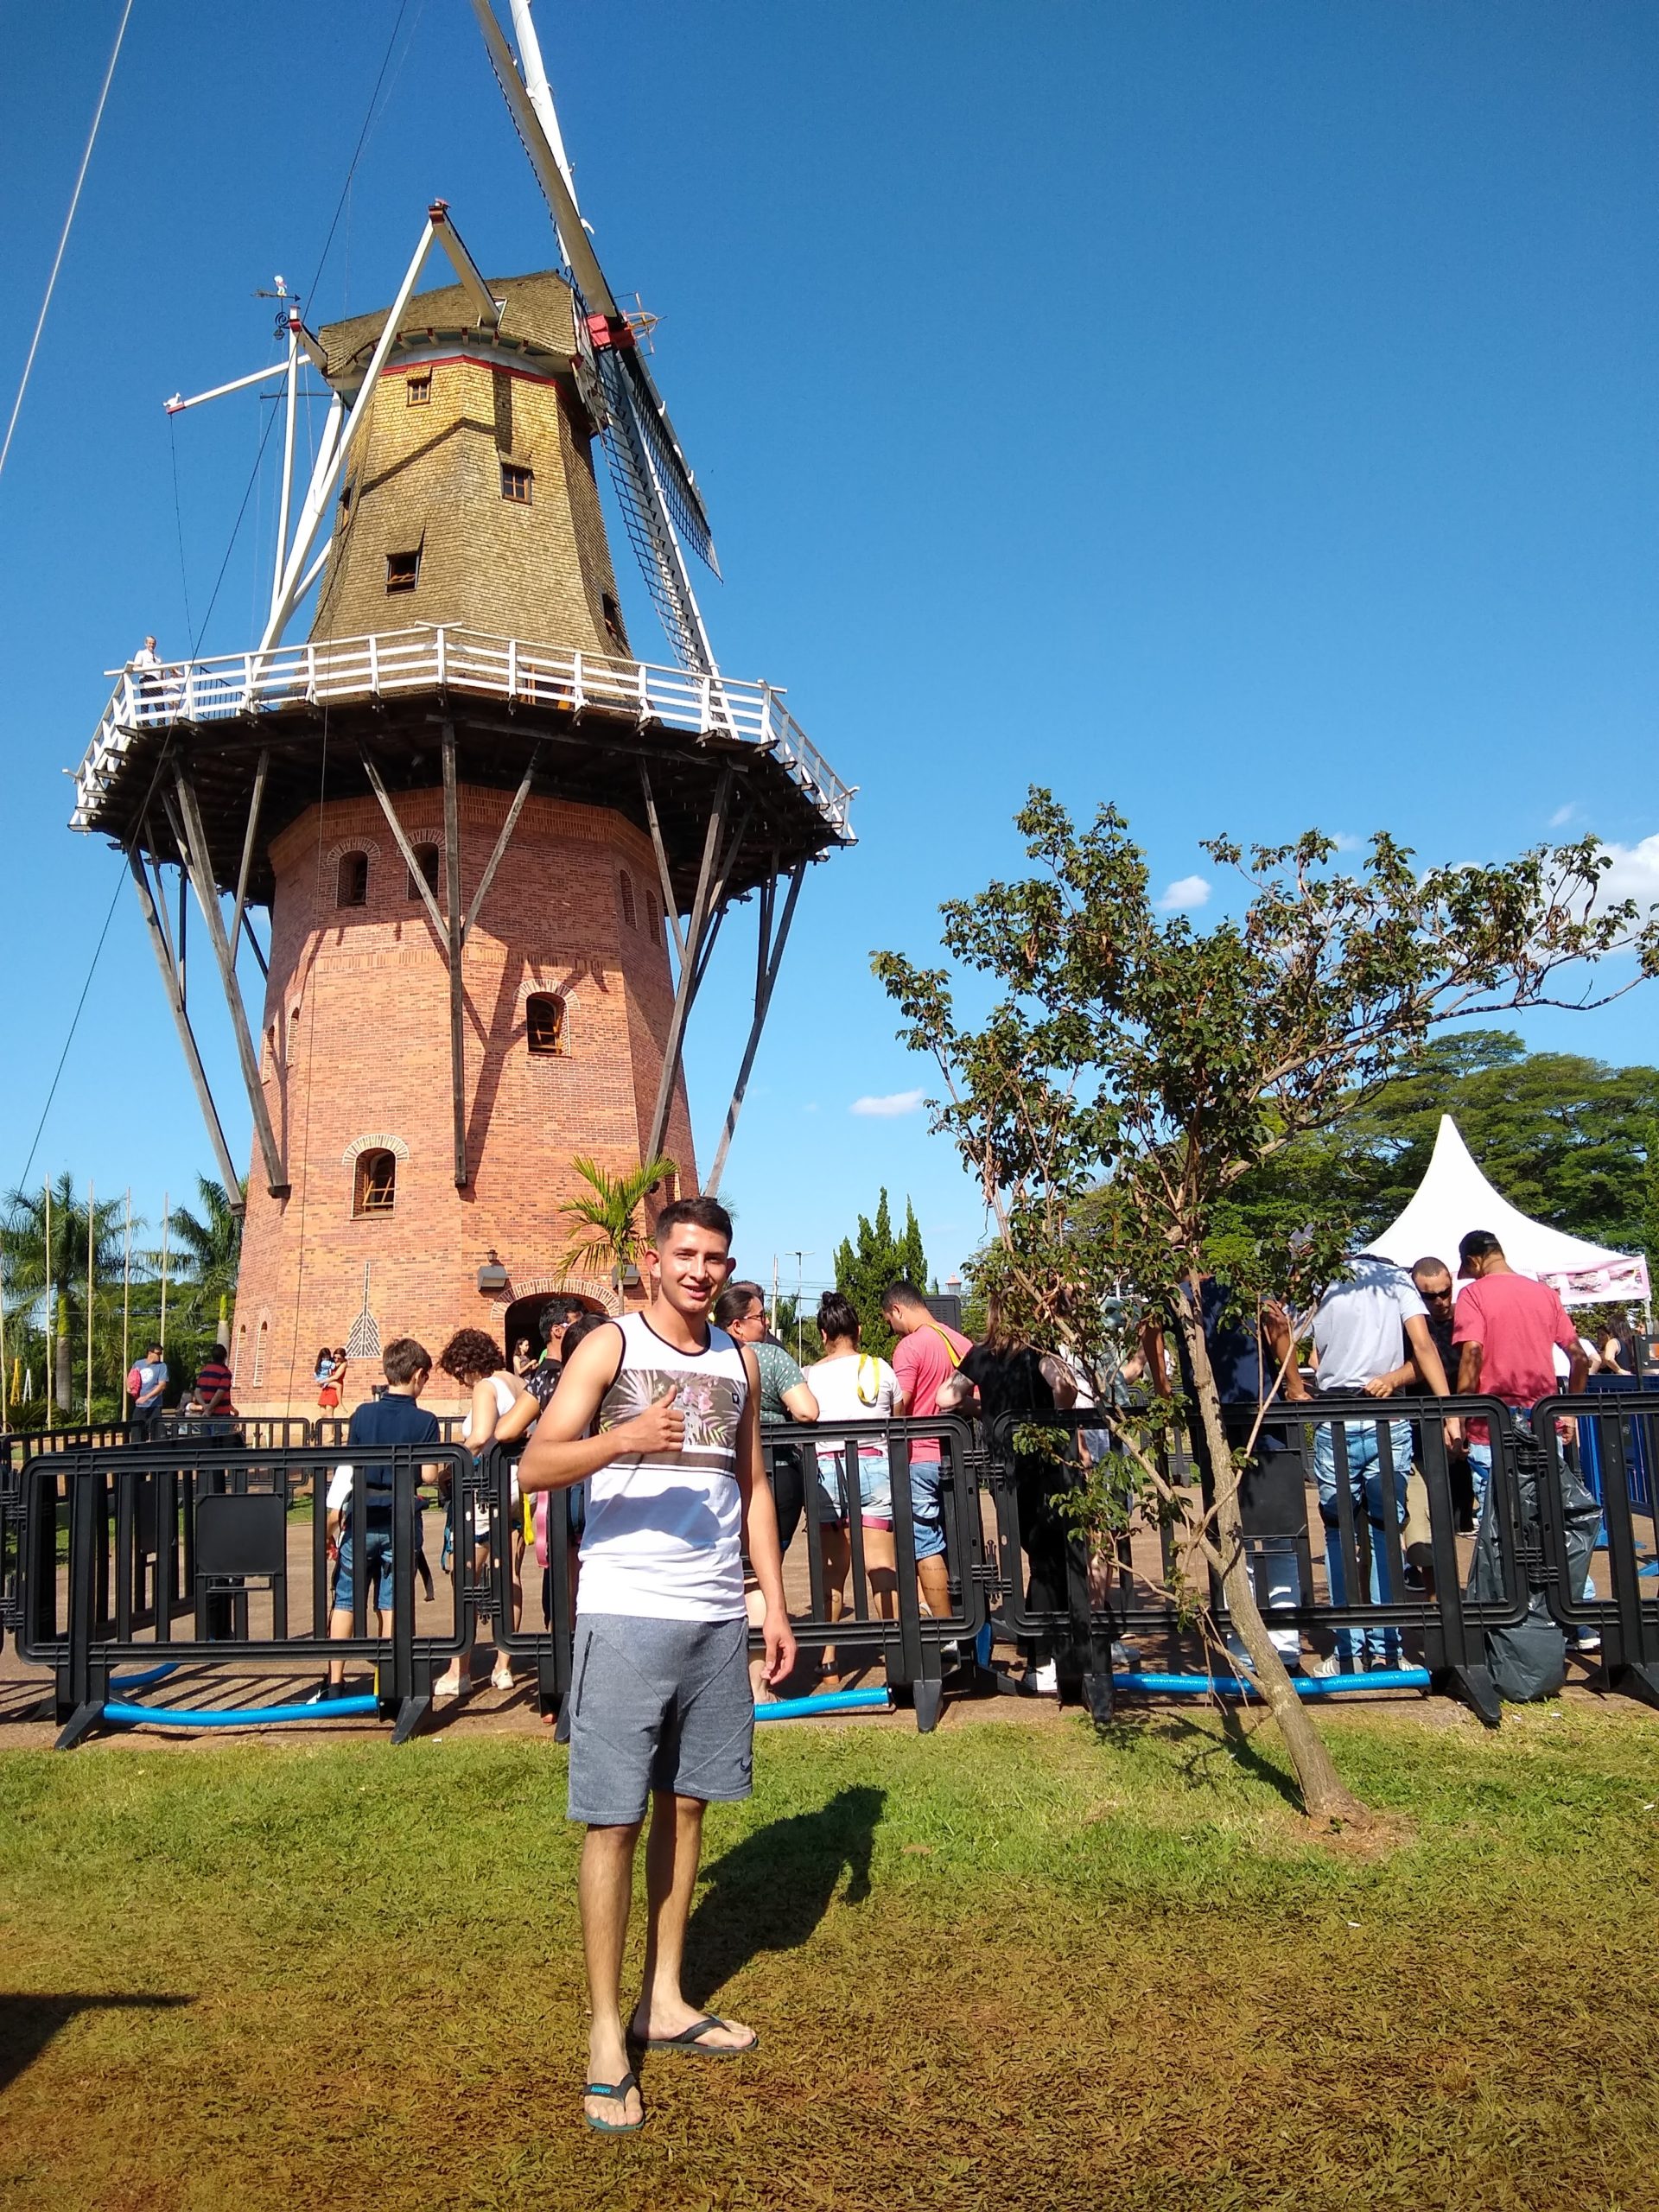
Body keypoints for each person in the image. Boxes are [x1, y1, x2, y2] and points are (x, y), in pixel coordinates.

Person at [518, 1196, 794, 2136]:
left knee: (689, 1804)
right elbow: (535, 1465)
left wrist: (773, 1601)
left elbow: (751, 1485)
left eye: (714, 1257)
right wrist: (622, 1440)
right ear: (652, 1260)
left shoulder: (739, 1360)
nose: (700, 1271)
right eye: (685, 1254)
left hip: (714, 1615)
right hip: (626, 1609)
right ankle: (606, 2031)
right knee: (614, 1819)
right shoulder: (610, 1346)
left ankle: (663, 1999)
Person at [1308, 1253, 1454, 1668]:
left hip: (1334, 1416)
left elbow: (1297, 1341)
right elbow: (1423, 1346)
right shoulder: (1394, 1279)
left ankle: (1348, 1650)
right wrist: (1450, 1413)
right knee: (1386, 1533)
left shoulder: (1323, 1279)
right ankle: (1388, 1649)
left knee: (1338, 1535)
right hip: (1387, 1419)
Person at [934, 1290, 1077, 1693]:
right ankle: (1042, 1659)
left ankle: (1037, 1648)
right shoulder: (1039, 1352)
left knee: (1034, 1555)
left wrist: (982, 1409)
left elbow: (946, 1396)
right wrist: (1056, 1408)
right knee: (1049, 1558)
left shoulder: (980, 1355)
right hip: (1042, 1467)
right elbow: (1065, 1390)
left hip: (1000, 1471)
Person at [322, 1337, 441, 1696]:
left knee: (345, 1599)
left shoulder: (362, 1414)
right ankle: (389, 1680)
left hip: (361, 1516)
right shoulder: (425, 1421)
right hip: (400, 1519)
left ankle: (335, 1680)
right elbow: (429, 1475)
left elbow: (349, 1467)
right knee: (391, 1602)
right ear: (418, 1374)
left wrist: (332, 1519)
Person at [804, 1291, 906, 1675]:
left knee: (833, 1571)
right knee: (881, 1565)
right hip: (875, 1466)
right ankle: (897, 1651)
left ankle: (828, 1656)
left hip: (827, 1471)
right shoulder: (881, 1369)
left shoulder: (809, 1376)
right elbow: (898, 1418)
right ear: (858, 1330)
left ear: (823, 1334)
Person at [1452, 1232, 1590, 1510]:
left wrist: (1459, 1417)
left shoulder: (1473, 1294)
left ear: (1473, 1261)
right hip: (1542, 1424)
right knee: (1547, 1514)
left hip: (1491, 1425)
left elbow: (1472, 1353)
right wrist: (1570, 1413)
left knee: (1500, 1519)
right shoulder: (1546, 1295)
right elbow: (1581, 1359)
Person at [434, 1329, 528, 1697]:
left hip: (486, 1488)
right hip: (519, 1485)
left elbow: (480, 1436)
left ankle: (459, 1669)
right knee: (510, 1575)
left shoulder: (486, 1386)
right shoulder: (518, 1382)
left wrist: (447, 1468)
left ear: (466, 1363)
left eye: (459, 1373)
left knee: (466, 1577)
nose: (461, 1381)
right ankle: (504, 1666)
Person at [880, 1281, 974, 1630]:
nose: (892, 1328)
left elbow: (901, 1403)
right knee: (960, 1538)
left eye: (890, 1320)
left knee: (925, 1543)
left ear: (897, 1309)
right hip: (958, 1456)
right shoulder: (961, 1343)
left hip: (919, 1458)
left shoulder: (910, 1346)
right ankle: (968, 1619)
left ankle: (945, 1629)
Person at [713, 1281, 817, 1554]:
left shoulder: (706, 1356)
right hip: (776, 1471)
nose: (767, 1322)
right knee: (766, 1561)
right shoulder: (772, 1356)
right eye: (760, 1317)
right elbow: (807, 1410)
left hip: (717, 1478)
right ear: (738, 1325)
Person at [1409, 1256, 1477, 1533]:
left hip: (1466, 1420)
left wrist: (1460, 1419)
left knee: (1461, 1514)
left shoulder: (1468, 1320)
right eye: (1430, 1296)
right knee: (1428, 1516)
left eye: (1444, 1292)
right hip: (1423, 1425)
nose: (1439, 1301)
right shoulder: (1413, 1327)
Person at [126, 1343, 168, 1440]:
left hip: (154, 1406)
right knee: (136, 1435)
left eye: (160, 1354)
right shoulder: (138, 1364)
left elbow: (162, 1386)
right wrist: (129, 1387)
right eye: (157, 1353)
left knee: (158, 1437)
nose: (159, 1356)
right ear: (150, 1353)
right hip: (139, 1407)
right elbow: (130, 1378)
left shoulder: (162, 1366)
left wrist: (146, 1397)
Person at [194, 1343, 235, 1418]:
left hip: (205, 1414)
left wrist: (204, 1406)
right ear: (225, 1356)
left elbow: (197, 1391)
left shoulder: (204, 1371)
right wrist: (209, 1408)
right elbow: (220, 1393)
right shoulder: (225, 1372)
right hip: (221, 1414)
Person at [315, 1346, 342, 1411]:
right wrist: (341, 1362)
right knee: (338, 1386)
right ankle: (340, 1403)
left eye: (327, 1356)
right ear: (322, 1357)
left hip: (322, 1379)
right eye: (324, 1357)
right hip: (324, 1380)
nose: (326, 1358)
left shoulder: (322, 1362)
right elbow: (334, 1366)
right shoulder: (324, 1363)